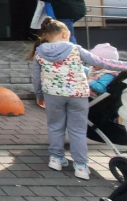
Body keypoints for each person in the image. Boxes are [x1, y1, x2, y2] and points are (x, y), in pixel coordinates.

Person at [30, 18, 127, 180]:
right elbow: (102, 62)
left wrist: (39, 96)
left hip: (52, 95)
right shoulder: (75, 49)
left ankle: (56, 159)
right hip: (78, 95)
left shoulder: (40, 52)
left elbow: (36, 78)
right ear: (64, 34)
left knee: (55, 126)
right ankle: (81, 166)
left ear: (46, 35)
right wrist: (124, 65)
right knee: (78, 130)